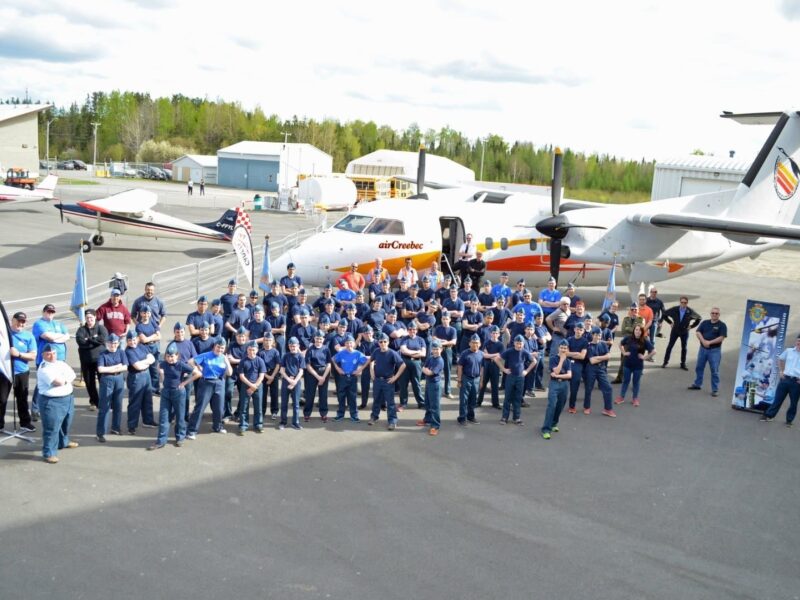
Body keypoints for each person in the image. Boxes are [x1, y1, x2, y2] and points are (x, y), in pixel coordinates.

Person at [149, 343, 200, 450]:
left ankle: (180, 438)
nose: (170, 358)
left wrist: (184, 384)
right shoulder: (163, 364)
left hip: (178, 393)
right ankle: (161, 441)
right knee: (164, 417)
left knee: (180, 417)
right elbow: (159, 368)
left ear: (177, 355)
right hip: (166, 393)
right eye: (168, 356)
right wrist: (162, 379)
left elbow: (198, 374)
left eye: (172, 356)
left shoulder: (181, 365)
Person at [37, 344, 78, 463]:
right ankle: (49, 453)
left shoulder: (61, 363)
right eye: (48, 354)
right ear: (43, 355)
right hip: (52, 402)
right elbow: (58, 382)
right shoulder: (44, 368)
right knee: (52, 428)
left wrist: (65, 379)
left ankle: (63, 442)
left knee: (66, 423)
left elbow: (73, 374)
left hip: (68, 398)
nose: (52, 356)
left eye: (54, 353)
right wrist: (65, 379)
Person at [187, 337, 233, 438]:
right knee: (200, 407)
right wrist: (198, 368)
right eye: (218, 347)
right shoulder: (206, 355)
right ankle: (192, 430)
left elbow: (229, 373)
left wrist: (227, 361)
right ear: (214, 347)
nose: (220, 349)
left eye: (222, 348)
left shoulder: (223, 358)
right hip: (206, 383)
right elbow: (191, 361)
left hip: (219, 383)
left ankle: (217, 426)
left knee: (219, 408)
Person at [31, 304, 70, 420]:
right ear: (43, 312)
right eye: (48, 311)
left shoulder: (58, 324)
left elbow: (67, 336)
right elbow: (48, 337)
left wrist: (56, 337)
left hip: (60, 358)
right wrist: (58, 337)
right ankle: (35, 408)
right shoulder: (39, 324)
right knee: (42, 384)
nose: (50, 314)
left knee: (58, 382)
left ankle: (53, 406)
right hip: (45, 359)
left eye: (52, 312)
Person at [2, 312, 37, 433]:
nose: (20, 324)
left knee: (22, 397)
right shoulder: (4, 334)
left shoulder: (28, 336)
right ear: (12, 320)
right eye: (18, 321)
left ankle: (25, 423)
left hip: (21, 372)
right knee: (1, 399)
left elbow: (33, 355)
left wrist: (19, 354)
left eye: (23, 322)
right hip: (5, 372)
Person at [760, 333, 800, 426]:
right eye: (798, 341)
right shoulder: (789, 351)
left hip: (796, 382)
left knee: (793, 403)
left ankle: (789, 420)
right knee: (777, 399)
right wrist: (781, 371)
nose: (799, 343)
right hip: (785, 379)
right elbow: (780, 359)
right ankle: (769, 415)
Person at [368, 332, 405, 430]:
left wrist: (395, 377)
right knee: (376, 400)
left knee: (390, 402)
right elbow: (371, 361)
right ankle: (374, 417)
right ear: (378, 343)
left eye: (385, 341)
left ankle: (392, 421)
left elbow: (402, 365)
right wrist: (372, 372)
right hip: (377, 381)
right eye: (381, 342)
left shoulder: (392, 353)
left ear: (388, 342)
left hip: (388, 381)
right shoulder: (376, 351)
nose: (383, 343)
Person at [96, 334, 128, 442]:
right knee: (104, 407)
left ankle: (115, 427)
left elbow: (125, 366)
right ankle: (100, 433)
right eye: (110, 343)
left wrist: (110, 368)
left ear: (118, 343)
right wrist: (116, 367)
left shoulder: (121, 352)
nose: (113, 345)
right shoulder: (102, 354)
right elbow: (101, 369)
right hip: (107, 380)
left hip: (119, 379)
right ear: (106, 344)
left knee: (118, 405)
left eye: (115, 343)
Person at [688, 308, 727, 397]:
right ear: (710, 314)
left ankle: (715, 389)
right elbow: (698, 332)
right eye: (713, 313)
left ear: (719, 315)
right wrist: (703, 341)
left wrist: (709, 343)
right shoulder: (705, 323)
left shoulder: (722, 325)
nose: (714, 314)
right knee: (699, 367)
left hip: (714, 351)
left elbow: (721, 337)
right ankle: (697, 384)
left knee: (714, 370)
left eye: (716, 313)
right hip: (702, 349)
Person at [497, 335, 535, 425]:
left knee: (518, 398)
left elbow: (534, 361)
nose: (519, 345)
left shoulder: (525, 352)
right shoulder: (509, 351)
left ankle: (516, 418)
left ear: (523, 344)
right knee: (507, 398)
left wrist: (526, 371)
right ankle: (504, 417)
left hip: (520, 378)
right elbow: (497, 359)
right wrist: (504, 369)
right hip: (510, 377)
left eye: (520, 343)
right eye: (517, 343)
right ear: (514, 343)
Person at [123, 331, 157, 435]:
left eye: (133, 340)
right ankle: (131, 426)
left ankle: (148, 420)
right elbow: (138, 366)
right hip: (135, 377)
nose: (132, 342)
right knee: (135, 402)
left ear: (137, 339)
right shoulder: (128, 351)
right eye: (129, 340)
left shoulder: (141, 346)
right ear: (127, 341)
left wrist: (143, 363)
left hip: (146, 375)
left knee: (148, 399)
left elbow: (152, 358)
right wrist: (146, 362)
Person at [74, 309, 107, 411]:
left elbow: (103, 339)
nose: (89, 320)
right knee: (89, 383)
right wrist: (95, 341)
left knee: (104, 381)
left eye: (91, 317)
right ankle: (94, 402)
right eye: (87, 318)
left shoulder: (101, 328)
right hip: (86, 361)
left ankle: (105, 401)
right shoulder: (81, 330)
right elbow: (81, 342)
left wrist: (89, 339)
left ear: (95, 317)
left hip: (100, 361)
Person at [616, 324, 655, 406]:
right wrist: (623, 353)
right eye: (636, 330)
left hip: (638, 366)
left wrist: (645, 357)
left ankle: (635, 399)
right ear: (634, 330)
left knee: (636, 382)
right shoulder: (628, 338)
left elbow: (654, 351)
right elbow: (620, 344)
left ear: (642, 332)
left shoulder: (644, 341)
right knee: (625, 381)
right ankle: (621, 397)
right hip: (627, 364)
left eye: (640, 330)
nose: (638, 331)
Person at [541, 341, 573, 440]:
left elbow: (569, 375)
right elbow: (556, 370)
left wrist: (558, 375)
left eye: (565, 348)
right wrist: (561, 361)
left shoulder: (568, 361)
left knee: (560, 405)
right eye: (562, 347)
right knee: (552, 405)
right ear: (558, 348)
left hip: (564, 384)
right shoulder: (553, 359)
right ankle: (546, 429)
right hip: (554, 384)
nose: (563, 350)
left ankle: (554, 424)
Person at [332, 335, 368, 422]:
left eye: (351, 343)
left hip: (352, 378)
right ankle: (340, 415)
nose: (349, 345)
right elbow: (333, 359)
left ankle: (354, 415)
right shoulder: (341, 353)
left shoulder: (357, 353)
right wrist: (338, 368)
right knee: (341, 396)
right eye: (347, 343)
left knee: (352, 397)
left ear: (354, 343)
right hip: (343, 377)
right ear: (345, 344)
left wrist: (359, 370)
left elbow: (367, 361)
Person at [661, 296, 701, 370]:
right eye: (682, 302)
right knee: (670, 346)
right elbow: (664, 314)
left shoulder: (690, 311)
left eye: (685, 303)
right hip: (675, 331)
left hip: (684, 332)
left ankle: (683, 364)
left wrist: (691, 326)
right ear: (680, 302)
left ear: (687, 303)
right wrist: (670, 322)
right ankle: (665, 362)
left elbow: (699, 318)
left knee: (684, 348)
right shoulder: (674, 309)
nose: (683, 304)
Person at [583, 327, 616, 417]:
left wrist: (598, 358)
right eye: (596, 335)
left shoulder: (603, 344)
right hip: (591, 369)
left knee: (608, 388)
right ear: (592, 335)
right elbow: (592, 361)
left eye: (600, 335)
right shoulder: (589, 346)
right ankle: (587, 407)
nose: (598, 337)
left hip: (601, 369)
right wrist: (603, 357)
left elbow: (609, 355)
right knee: (589, 389)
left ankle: (607, 409)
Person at [236, 341, 267, 435]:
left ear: (257, 350)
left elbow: (262, 375)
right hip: (246, 385)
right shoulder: (243, 361)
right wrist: (251, 385)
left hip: (258, 385)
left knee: (258, 407)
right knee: (244, 406)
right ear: (247, 350)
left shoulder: (260, 361)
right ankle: (243, 425)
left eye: (253, 350)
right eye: (249, 349)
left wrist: (255, 386)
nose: (251, 351)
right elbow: (241, 376)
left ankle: (258, 424)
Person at [303, 330, 332, 422]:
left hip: (324, 373)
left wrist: (323, 377)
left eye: (320, 338)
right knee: (310, 394)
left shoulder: (326, 349)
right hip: (312, 373)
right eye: (317, 338)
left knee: (323, 395)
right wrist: (318, 377)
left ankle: (323, 413)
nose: (318, 340)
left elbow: (329, 364)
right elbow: (308, 365)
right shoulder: (310, 350)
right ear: (314, 339)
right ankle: (307, 413)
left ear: (323, 339)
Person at [612, 304, 645, 383]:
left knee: (638, 360)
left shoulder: (641, 319)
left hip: (638, 343)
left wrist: (629, 328)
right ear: (630, 310)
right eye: (632, 309)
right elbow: (623, 331)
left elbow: (640, 330)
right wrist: (634, 329)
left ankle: (636, 380)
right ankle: (619, 378)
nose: (634, 311)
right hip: (627, 343)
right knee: (623, 360)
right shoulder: (626, 319)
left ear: (638, 310)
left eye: (635, 309)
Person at [418, 339, 445, 435]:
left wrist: (425, 369)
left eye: (437, 349)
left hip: (435, 385)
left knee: (435, 406)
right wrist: (425, 369)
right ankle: (427, 419)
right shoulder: (430, 358)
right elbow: (424, 368)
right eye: (434, 349)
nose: (435, 351)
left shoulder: (440, 361)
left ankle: (435, 425)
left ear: (441, 349)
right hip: (428, 383)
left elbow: (429, 372)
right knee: (428, 403)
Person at [279, 337, 305, 430]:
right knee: (284, 403)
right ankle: (283, 421)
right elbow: (281, 370)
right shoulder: (285, 356)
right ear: (288, 346)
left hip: (296, 382)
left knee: (296, 404)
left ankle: (295, 422)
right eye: (290, 346)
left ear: (298, 346)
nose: (292, 347)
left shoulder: (300, 356)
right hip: (286, 381)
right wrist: (289, 380)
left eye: (294, 346)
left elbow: (301, 371)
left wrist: (294, 381)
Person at [457, 334, 484, 425]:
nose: (475, 345)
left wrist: (481, 381)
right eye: (473, 343)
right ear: (469, 343)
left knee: (473, 400)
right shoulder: (465, 353)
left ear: (479, 344)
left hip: (476, 379)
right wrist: (459, 380)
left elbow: (482, 368)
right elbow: (460, 367)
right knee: (464, 400)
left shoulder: (481, 354)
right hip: (466, 378)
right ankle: (462, 418)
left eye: (476, 343)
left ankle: (470, 416)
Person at [135, 306, 162, 394]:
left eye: (148, 313)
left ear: (150, 314)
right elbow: (143, 340)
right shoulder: (139, 326)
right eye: (144, 313)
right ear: (141, 314)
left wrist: (150, 337)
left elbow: (159, 336)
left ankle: (155, 389)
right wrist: (154, 336)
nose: (146, 315)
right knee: (146, 368)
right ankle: (146, 388)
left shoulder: (153, 323)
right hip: (145, 348)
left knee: (154, 369)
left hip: (154, 348)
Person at [433, 311, 457, 398]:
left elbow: (453, 342)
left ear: (450, 319)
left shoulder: (452, 329)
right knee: (436, 371)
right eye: (443, 319)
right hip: (437, 351)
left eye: (447, 319)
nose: (445, 320)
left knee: (447, 372)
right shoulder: (438, 328)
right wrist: (445, 342)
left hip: (447, 351)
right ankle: (436, 390)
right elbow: (434, 338)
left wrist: (442, 342)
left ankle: (447, 391)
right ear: (441, 319)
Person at [478, 326, 504, 409]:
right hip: (486, 365)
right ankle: (478, 401)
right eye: (493, 333)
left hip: (495, 366)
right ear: (490, 334)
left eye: (496, 333)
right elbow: (483, 355)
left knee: (495, 385)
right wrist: (495, 355)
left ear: (499, 334)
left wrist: (489, 355)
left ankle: (495, 403)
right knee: (483, 384)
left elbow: (500, 357)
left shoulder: (500, 344)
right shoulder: (486, 342)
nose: (495, 334)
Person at [565, 322, 588, 414]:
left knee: (574, 387)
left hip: (578, 365)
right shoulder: (569, 339)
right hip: (567, 364)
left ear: (583, 331)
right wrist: (576, 353)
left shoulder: (584, 341)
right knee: (562, 386)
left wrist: (571, 354)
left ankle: (572, 406)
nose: (579, 331)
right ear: (574, 329)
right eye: (577, 329)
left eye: (581, 330)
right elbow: (564, 353)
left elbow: (582, 356)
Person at [258, 333, 282, 420]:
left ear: (273, 342)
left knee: (274, 394)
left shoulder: (275, 352)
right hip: (263, 374)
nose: (268, 342)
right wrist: (267, 376)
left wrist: (272, 376)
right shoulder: (260, 352)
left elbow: (277, 365)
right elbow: (260, 366)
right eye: (266, 340)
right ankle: (262, 411)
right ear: (263, 341)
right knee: (263, 394)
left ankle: (274, 411)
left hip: (273, 373)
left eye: (270, 340)